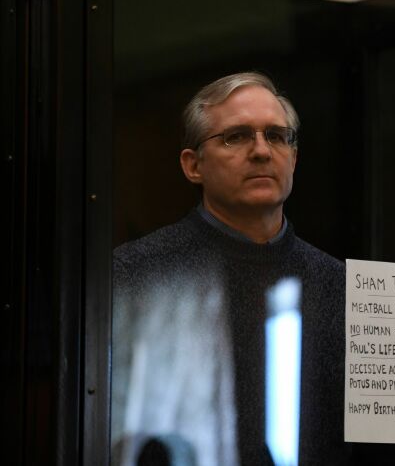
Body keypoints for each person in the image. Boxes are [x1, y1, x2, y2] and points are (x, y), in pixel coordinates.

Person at [111, 72, 347, 465]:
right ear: (193, 166)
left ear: (294, 157)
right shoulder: (133, 274)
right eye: (236, 136)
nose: (260, 151)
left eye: (276, 136)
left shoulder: (340, 287)